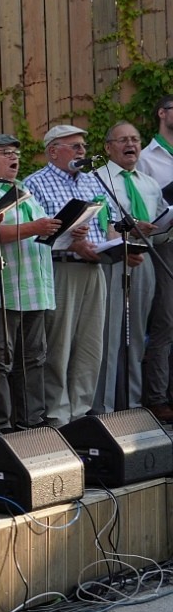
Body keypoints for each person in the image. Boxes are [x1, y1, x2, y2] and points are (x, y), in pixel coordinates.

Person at [0, 134, 60, 433]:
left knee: (34, 359)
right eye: (5, 153)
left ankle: (31, 423)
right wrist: (36, 227)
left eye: (15, 152)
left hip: (35, 290)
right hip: (2, 290)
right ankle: (0, 429)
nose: (13, 157)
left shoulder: (23, 189)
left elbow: (41, 230)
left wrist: (62, 228)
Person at [24, 124, 110, 426]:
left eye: (83, 146)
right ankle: (58, 415)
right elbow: (34, 234)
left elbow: (106, 223)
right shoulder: (34, 184)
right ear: (53, 151)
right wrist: (73, 241)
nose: (82, 152)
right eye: (74, 146)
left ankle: (81, 413)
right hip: (60, 267)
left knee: (90, 344)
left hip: (95, 267)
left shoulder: (93, 181)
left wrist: (115, 245)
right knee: (58, 345)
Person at [92, 122, 164, 414]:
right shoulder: (97, 179)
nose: (130, 145)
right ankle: (105, 408)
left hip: (145, 258)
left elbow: (159, 224)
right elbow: (99, 223)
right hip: (113, 260)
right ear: (109, 147)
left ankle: (133, 405)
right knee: (109, 335)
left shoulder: (149, 183)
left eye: (134, 139)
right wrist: (128, 232)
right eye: (122, 140)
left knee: (136, 335)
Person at [136, 96, 173, 424]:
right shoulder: (148, 158)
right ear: (162, 113)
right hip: (165, 244)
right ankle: (158, 396)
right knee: (165, 321)